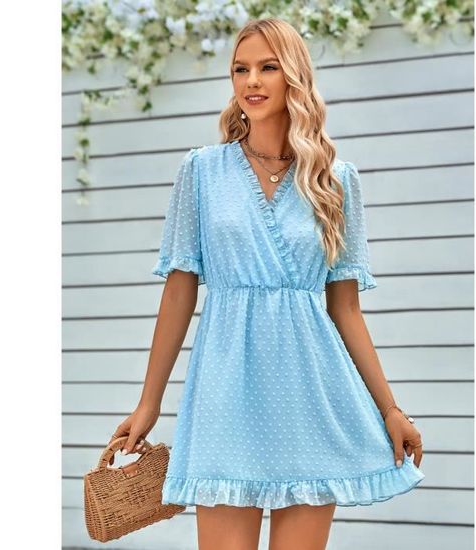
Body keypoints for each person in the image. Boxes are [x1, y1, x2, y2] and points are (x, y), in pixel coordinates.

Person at [109, 17, 425, 550]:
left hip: (312, 394)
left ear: (293, 77)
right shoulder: (202, 172)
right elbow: (179, 292)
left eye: (268, 67)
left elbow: (345, 309)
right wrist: (149, 402)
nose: (251, 81)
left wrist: (390, 408)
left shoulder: (335, 181)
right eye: (241, 69)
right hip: (225, 391)